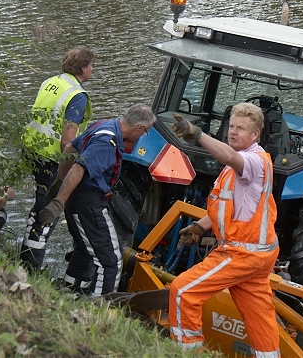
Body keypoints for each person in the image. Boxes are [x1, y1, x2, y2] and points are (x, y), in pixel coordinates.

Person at [168, 102, 281, 358]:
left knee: (183, 291)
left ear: (255, 135)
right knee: (258, 316)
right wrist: (200, 226)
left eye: (241, 128)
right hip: (259, 256)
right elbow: (231, 207)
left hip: (243, 254)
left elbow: (229, 156)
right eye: (231, 126)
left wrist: (197, 135)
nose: (233, 132)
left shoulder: (253, 162)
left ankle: (186, 353)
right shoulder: (239, 165)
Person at [38, 103, 156, 296]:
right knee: (111, 262)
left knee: (85, 251)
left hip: (79, 201)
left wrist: (59, 182)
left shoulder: (102, 125)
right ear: (139, 128)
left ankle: (70, 292)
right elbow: (78, 168)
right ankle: (100, 309)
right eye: (146, 133)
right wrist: (58, 201)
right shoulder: (106, 142)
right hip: (89, 203)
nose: (142, 137)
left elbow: (69, 149)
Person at [19, 46, 95, 271]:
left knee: (39, 206)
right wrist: (69, 173)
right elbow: (67, 140)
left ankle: (26, 259)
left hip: (31, 150)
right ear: (83, 68)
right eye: (92, 66)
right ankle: (30, 267)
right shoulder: (77, 96)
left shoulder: (52, 82)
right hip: (49, 158)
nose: (93, 70)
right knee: (47, 212)